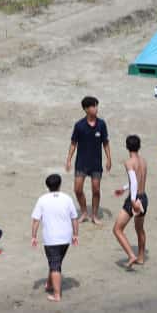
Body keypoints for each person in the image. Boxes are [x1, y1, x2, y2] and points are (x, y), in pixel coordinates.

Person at [30, 174, 80, 302]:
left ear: (47, 186)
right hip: (66, 238)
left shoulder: (42, 199)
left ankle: (57, 295)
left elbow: (36, 220)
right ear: (60, 185)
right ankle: (49, 283)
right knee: (55, 262)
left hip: (51, 239)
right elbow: (74, 218)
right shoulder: (67, 198)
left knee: (55, 265)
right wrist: (75, 234)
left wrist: (34, 236)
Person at [65, 96, 112, 225]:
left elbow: (105, 143)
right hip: (81, 163)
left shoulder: (101, 124)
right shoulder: (79, 125)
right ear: (86, 109)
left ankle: (94, 215)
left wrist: (109, 159)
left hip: (96, 163)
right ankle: (84, 212)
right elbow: (73, 143)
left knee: (96, 190)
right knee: (77, 189)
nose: (96, 108)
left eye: (96, 105)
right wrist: (68, 159)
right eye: (93, 106)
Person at [113, 135, 148, 269]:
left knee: (117, 229)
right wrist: (123, 188)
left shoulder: (129, 162)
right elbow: (138, 181)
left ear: (127, 147)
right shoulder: (143, 161)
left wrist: (132, 200)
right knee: (140, 229)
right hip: (143, 197)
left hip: (134, 199)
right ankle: (141, 257)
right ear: (139, 146)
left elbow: (134, 181)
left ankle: (131, 255)